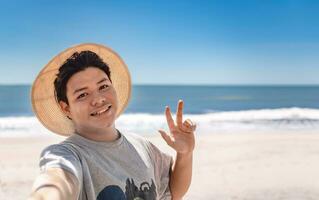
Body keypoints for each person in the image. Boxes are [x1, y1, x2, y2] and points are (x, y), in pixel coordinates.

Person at [28, 43, 196, 200]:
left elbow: (172, 192)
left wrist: (185, 154)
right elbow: (56, 179)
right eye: (82, 95)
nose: (98, 99)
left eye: (103, 86)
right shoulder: (69, 154)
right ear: (66, 108)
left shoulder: (142, 145)